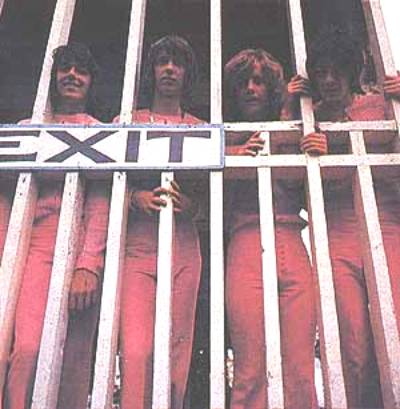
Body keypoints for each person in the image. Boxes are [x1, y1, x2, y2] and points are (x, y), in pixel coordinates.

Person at [285, 28, 400, 409]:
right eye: (321, 73)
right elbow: (290, 184)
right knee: (352, 344)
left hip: (387, 222)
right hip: (335, 231)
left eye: (337, 72)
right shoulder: (311, 118)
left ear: (352, 71)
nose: (330, 80)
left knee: (395, 331)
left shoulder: (380, 106)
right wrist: (291, 112)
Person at [4, 42, 110, 409]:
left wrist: (88, 265)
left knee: (72, 359)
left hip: (81, 246)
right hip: (31, 247)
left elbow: (100, 205)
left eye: (82, 70)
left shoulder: (99, 131)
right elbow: (5, 200)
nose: (73, 76)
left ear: (92, 82)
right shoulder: (28, 128)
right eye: (66, 69)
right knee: (27, 347)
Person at [224, 48, 325, 409]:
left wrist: (287, 117)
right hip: (246, 242)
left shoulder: (294, 129)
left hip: (291, 240)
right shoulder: (226, 137)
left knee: (300, 367)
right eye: (243, 83)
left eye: (260, 82)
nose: (251, 89)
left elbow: (297, 187)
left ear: (272, 90)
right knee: (250, 367)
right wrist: (232, 153)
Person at [114, 35, 203, 409]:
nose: (169, 69)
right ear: (150, 71)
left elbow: (217, 192)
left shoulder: (200, 127)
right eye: (162, 62)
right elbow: (103, 182)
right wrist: (134, 198)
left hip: (184, 247)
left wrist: (193, 206)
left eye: (177, 63)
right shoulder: (127, 121)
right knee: (136, 350)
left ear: (186, 74)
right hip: (138, 245)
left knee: (176, 350)